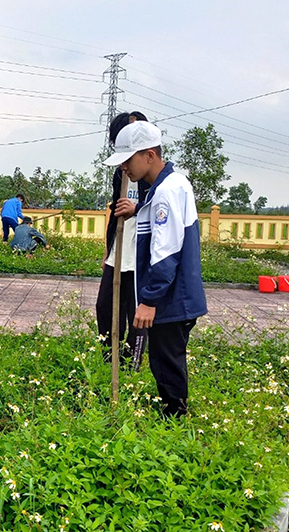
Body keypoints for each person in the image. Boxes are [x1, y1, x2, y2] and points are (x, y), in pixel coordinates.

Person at [106, 121, 207, 418]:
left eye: (128, 159)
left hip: (170, 298)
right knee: (166, 359)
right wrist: (138, 209)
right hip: (173, 296)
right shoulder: (167, 186)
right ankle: (173, 413)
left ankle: (175, 420)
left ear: (149, 155)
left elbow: (167, 253)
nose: (124, 167)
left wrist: (149, 300)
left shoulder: (166, 191)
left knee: (166, 362)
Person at [96, 111, 150, 367]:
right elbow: (114, 212)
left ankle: (133, 362)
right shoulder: (121, 173)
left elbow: (158, 209)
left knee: (136, 312)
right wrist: (108, 250)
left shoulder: (154, 175)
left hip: (140, 250)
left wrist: (137, 208)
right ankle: (109, 357)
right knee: (104, 306)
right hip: (119, 248)